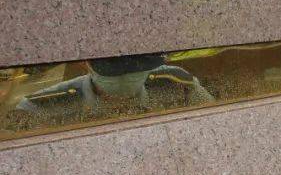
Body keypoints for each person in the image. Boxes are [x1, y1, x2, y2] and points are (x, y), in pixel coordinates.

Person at [11, 54, 213, 129]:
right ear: (85, 63)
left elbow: (211, 121)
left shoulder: (176, 81)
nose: (128, 72)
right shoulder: (40, 106)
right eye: (112, 67)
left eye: (139, 65)